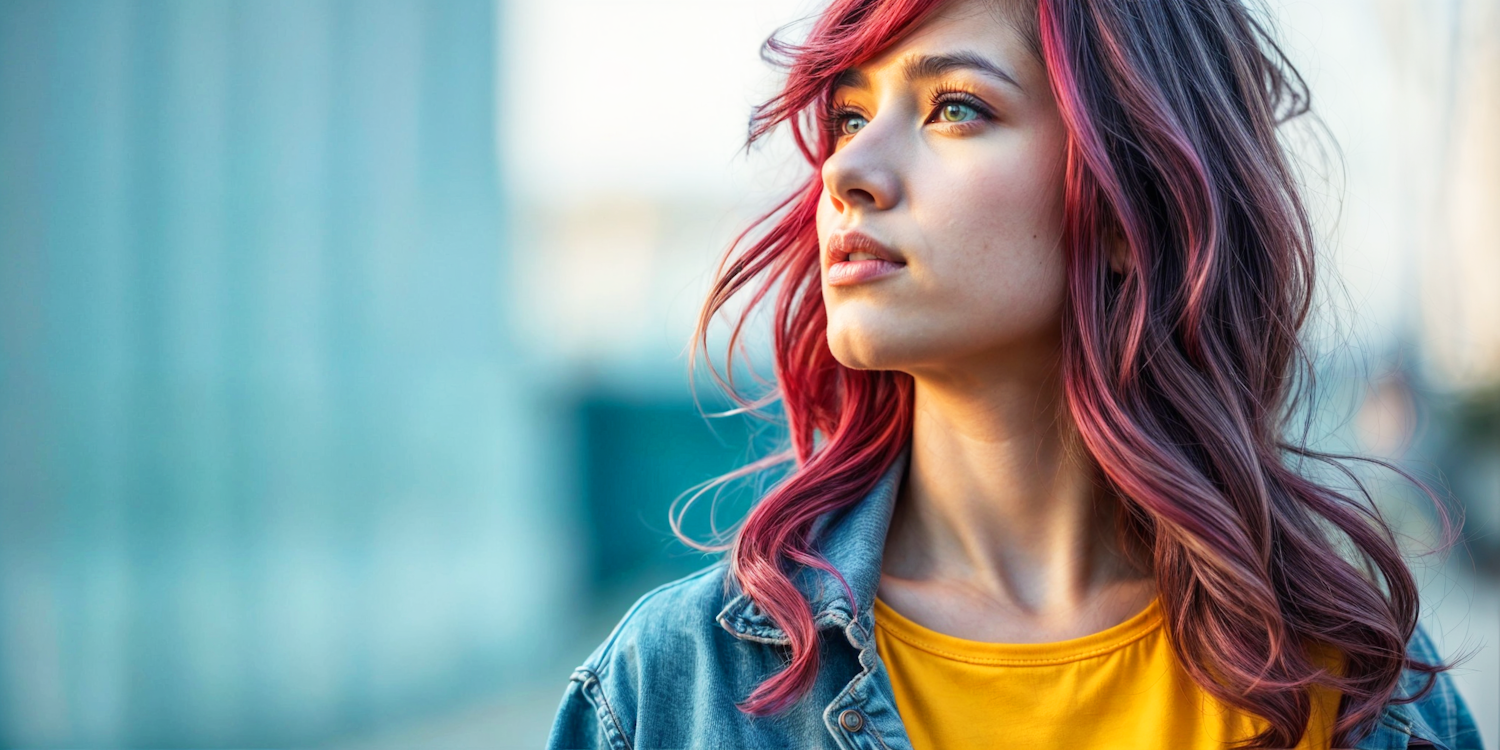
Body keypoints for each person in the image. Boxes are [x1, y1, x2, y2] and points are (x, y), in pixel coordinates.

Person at [547, 0, 1483, 747]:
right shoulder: (677, 690)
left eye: (956, 107)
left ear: (1130, 200)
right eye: (849, 115)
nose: (849, 171)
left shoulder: (1351, 687)